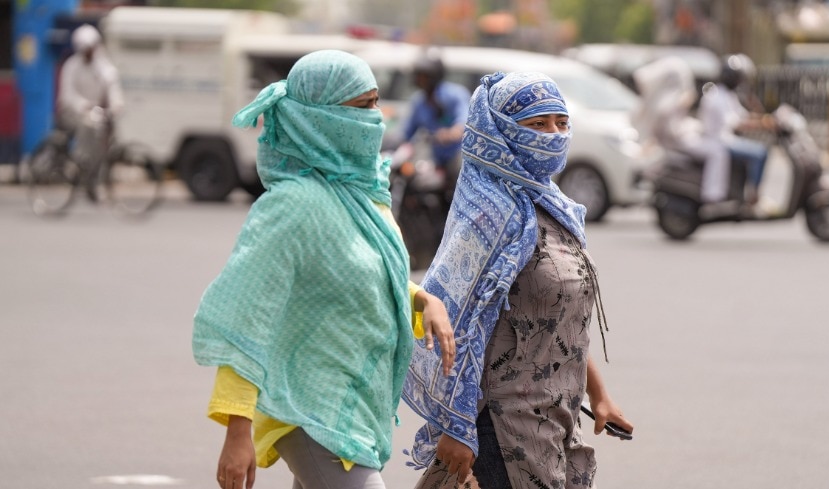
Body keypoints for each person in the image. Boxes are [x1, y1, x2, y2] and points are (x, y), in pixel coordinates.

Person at [192, 50, 456, 489]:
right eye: (363, 106)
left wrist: (423, 299)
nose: (376, 119)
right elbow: (244, 316)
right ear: (320, 117)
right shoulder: (291, 206)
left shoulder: (362, 195)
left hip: (351, 403)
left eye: (377, 104)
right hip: (310, 405)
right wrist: (237, 432)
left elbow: (367, 276)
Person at [402, 71, 634, 489]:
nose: (554, 135)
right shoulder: (491, 215)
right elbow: (462, 326)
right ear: (501, 131)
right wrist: (458, 428)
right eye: (537, 124)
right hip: (503, 429)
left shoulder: (554, 204)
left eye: (561, 123)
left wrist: (598, 394)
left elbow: (557, 319)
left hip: (555, 418)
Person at [632, 56, 730, 204]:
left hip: (678, 141)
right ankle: (712, 194)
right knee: (718, 152)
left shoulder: (665, 102)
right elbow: (671, 131)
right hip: (680, 143)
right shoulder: (667, 104)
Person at [56, 24, 124, 199]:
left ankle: (94, 179)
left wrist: (116, 104)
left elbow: (112, 85)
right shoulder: (71, 66)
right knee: (88, 125)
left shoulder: (102, 66)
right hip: (71, 113)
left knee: (106, 139)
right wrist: (84, 106)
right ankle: (78, 161)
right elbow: (68, 95)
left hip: (96, 113)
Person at [697, 53, 775, 205]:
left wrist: (766, 119)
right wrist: (762, 124)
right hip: (719, 140)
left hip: (724, 138)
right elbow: (736, 123)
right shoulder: (716, 97)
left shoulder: (726, 95)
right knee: (759, 153)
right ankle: (753, 197)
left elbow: (742, 115)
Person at [395, 47, 471, 200]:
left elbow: (463, 124)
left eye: (423, 75)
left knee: (461, 179)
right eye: (417, 75)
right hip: (433, 157)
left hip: (457, 155)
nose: (418, 79)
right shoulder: (419, 101)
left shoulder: (455, 95)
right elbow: (406, 133)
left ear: (434, 76)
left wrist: (451, 133)